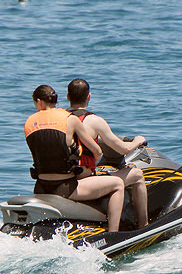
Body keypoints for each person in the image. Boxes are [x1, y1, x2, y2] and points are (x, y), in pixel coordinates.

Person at [24, 84, 125, 232]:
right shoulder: (70, 119)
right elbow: (97, 150)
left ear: (39, 102)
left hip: (40, 187)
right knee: (118, 184)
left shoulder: (29, 123)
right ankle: (113, 234)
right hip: (66, 188)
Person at [66, 78, 148, 229]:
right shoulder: (95, 121)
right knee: (137, 175)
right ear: (88, 97)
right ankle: (143, 226)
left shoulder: (61, 119)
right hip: (82, 181)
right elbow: (123, 149)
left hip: (63, 179)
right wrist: (137, 141)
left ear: (68, 97)